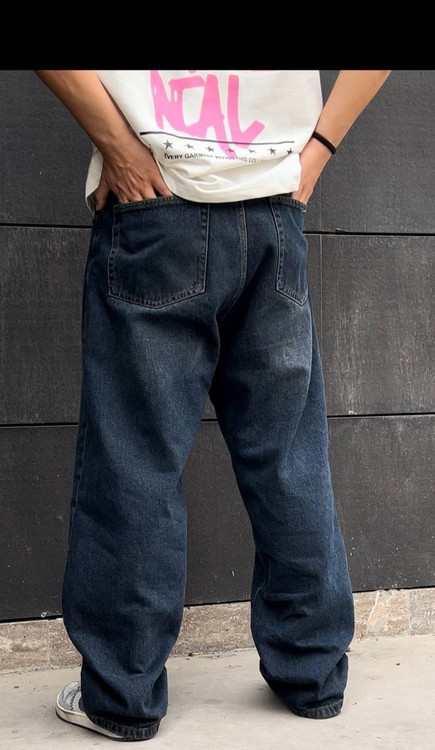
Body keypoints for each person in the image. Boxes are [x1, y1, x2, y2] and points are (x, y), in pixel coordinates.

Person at [35, 69, 391, 742]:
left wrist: (121, 148)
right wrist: (316, 149)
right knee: (287, 460)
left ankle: (122, 695)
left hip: (157, 201)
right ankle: (312, 677)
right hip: (272, 204)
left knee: (135, 460)